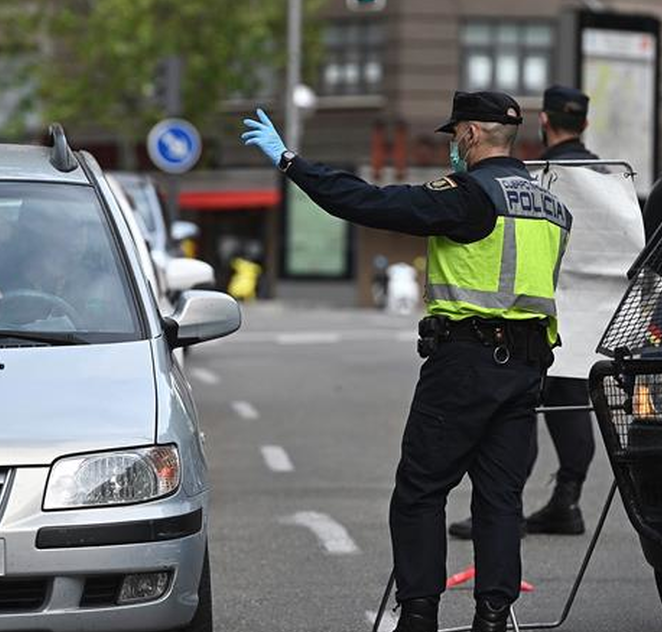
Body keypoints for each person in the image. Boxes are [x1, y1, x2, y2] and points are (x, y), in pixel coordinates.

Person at [241, 93, 572, 632]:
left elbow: (366, 202)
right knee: (500, 499)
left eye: (453, 137)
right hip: (527, 369)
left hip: (465, 362)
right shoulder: (553, 208)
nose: (451, 149)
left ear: (468, 135)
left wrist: (290, 161)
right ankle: (493, 616)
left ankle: (419, 614)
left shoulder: (468, 196)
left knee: (421, 490)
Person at [449, 85, 597, 541]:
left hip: (530, 309)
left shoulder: (533, 177)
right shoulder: (607, 177)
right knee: (572, 400)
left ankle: (502, 507)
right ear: (585, 125)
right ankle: (567, 499)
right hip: (590, 310)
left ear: (545, 123)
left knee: (521, 408)